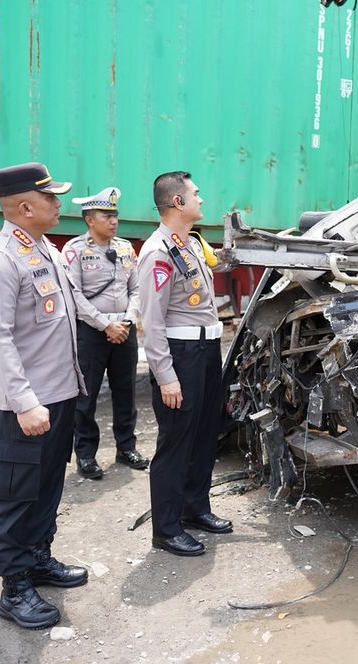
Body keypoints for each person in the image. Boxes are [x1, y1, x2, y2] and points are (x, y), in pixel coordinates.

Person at [0, 162, 89, 630]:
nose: (59, 205)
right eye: (51, 198)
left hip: (56, 396)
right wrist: (25, 402)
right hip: (25, 406)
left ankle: (38, 557)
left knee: (46, 488)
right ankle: (14, 586)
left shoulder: (45, 249)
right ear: (24, 206)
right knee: (15, 494)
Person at [135, 171, 231, 557]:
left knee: (205, 435)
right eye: (196, 193)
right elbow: (152, 322)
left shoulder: (189, 243)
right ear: (177, 202)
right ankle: (167, 528)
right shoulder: (157, 252)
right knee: (175, 443)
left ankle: (195, 509)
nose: (201, 199)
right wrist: (166, 377)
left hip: (207, 351)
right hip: (181, 356)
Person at [62, 187, 146, 479]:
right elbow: (74, 295)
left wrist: (127, 320)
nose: (113, 221)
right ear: (89, 219)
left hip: (124, 329)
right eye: (106, 215)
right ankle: (86, 455)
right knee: (86, 397)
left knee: (127, 392)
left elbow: (135, 289)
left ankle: (126, 448)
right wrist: (104, 324)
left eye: (115, 215)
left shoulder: (124, 248)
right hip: (92, 332)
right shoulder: (74, 250)